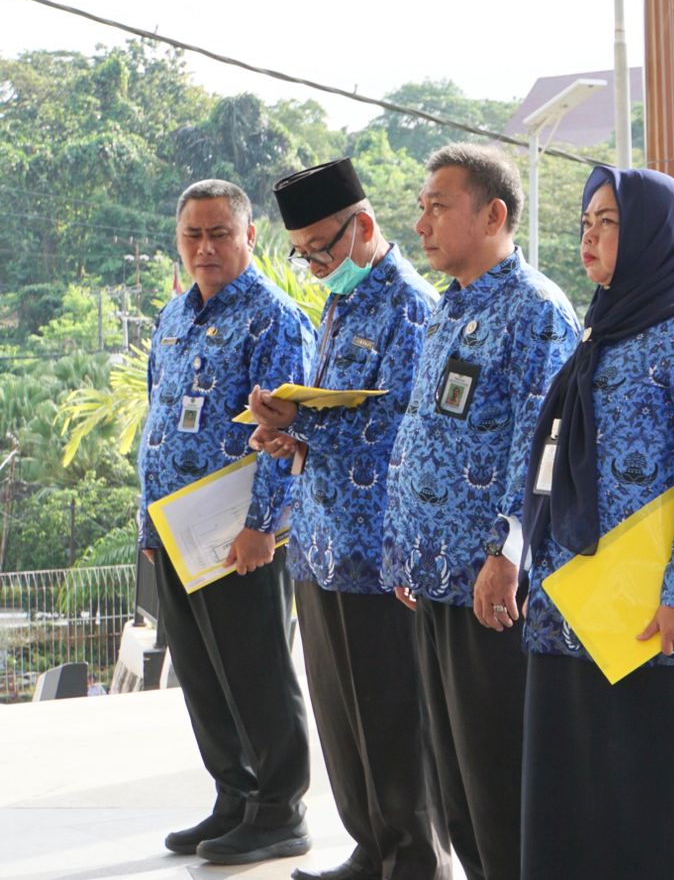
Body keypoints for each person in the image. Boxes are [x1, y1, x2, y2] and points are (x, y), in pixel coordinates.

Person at [518, 165, 674, 878]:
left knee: (660, 822)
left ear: (654, 234)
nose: (590, 236)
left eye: (609, 222)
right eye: (585, 222)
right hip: (573, 615)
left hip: (653, 624)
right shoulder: (601, 329)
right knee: (581, 812)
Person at [247, 158, 448, 880]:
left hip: (382, 554)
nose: (312, 267)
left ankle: (414, 860)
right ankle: (371, 848)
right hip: (321, 542)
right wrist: (290, 434)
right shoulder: (338, 305)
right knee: (345, 721)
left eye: (321, 251)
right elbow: (337, 419)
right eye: (300, 255)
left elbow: (404, 432)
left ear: (362, 226)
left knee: (394, 719)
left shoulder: (414, 309)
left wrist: (308, 421)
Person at [383, 143, 579, 880]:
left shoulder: (535, 311)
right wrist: (405, 548)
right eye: (422, 205)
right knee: (455, 785)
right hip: (434, 577)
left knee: (500, 781)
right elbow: (424, 433)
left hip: (491, 585)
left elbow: (542, 446)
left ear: (493, 214)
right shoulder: (447, 309)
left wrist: (509, 553)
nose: (423, 222)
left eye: (439, 205)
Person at [139, 179, 316, 865]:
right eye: (193, 234)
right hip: (175, 531)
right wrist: (147, 528)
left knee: (256, 670)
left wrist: (264, 525)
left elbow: (284, 429)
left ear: (248, 237)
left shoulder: (273, 319)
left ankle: (278, 808)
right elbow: (156, 422)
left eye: (219, 233)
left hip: (238, 533)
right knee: (205, 676)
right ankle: (233, 797)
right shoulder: (173, 317)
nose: (205, 247)